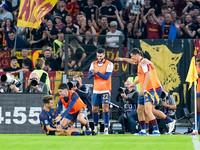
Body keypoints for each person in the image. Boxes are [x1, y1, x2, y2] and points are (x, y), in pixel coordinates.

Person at [115, 48, 160, 135]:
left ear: (137, 55)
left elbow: (148, 75)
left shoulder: (143, 63)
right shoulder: (140, 63)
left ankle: (156, 130)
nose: (132, 59)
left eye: (132, 57)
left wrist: (142, 88)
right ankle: (143, 130)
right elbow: (140, 75)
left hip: (149, 90)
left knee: (147, 111)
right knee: (139, 110)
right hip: (145, 89)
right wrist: (123, 59)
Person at [88, 48, 114, 135]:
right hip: (96, 90)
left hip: (106, 89)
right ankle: (96, 127)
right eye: (98, 56)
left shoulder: (109, 64)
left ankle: (106, 128)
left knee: (105, 108)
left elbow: (106, 77)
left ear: (104, 55)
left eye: (101, 56)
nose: (99, 57)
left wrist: (97, 72)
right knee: (94, 110)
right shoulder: (93, 64)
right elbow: (89, 76)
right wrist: (94, 73)